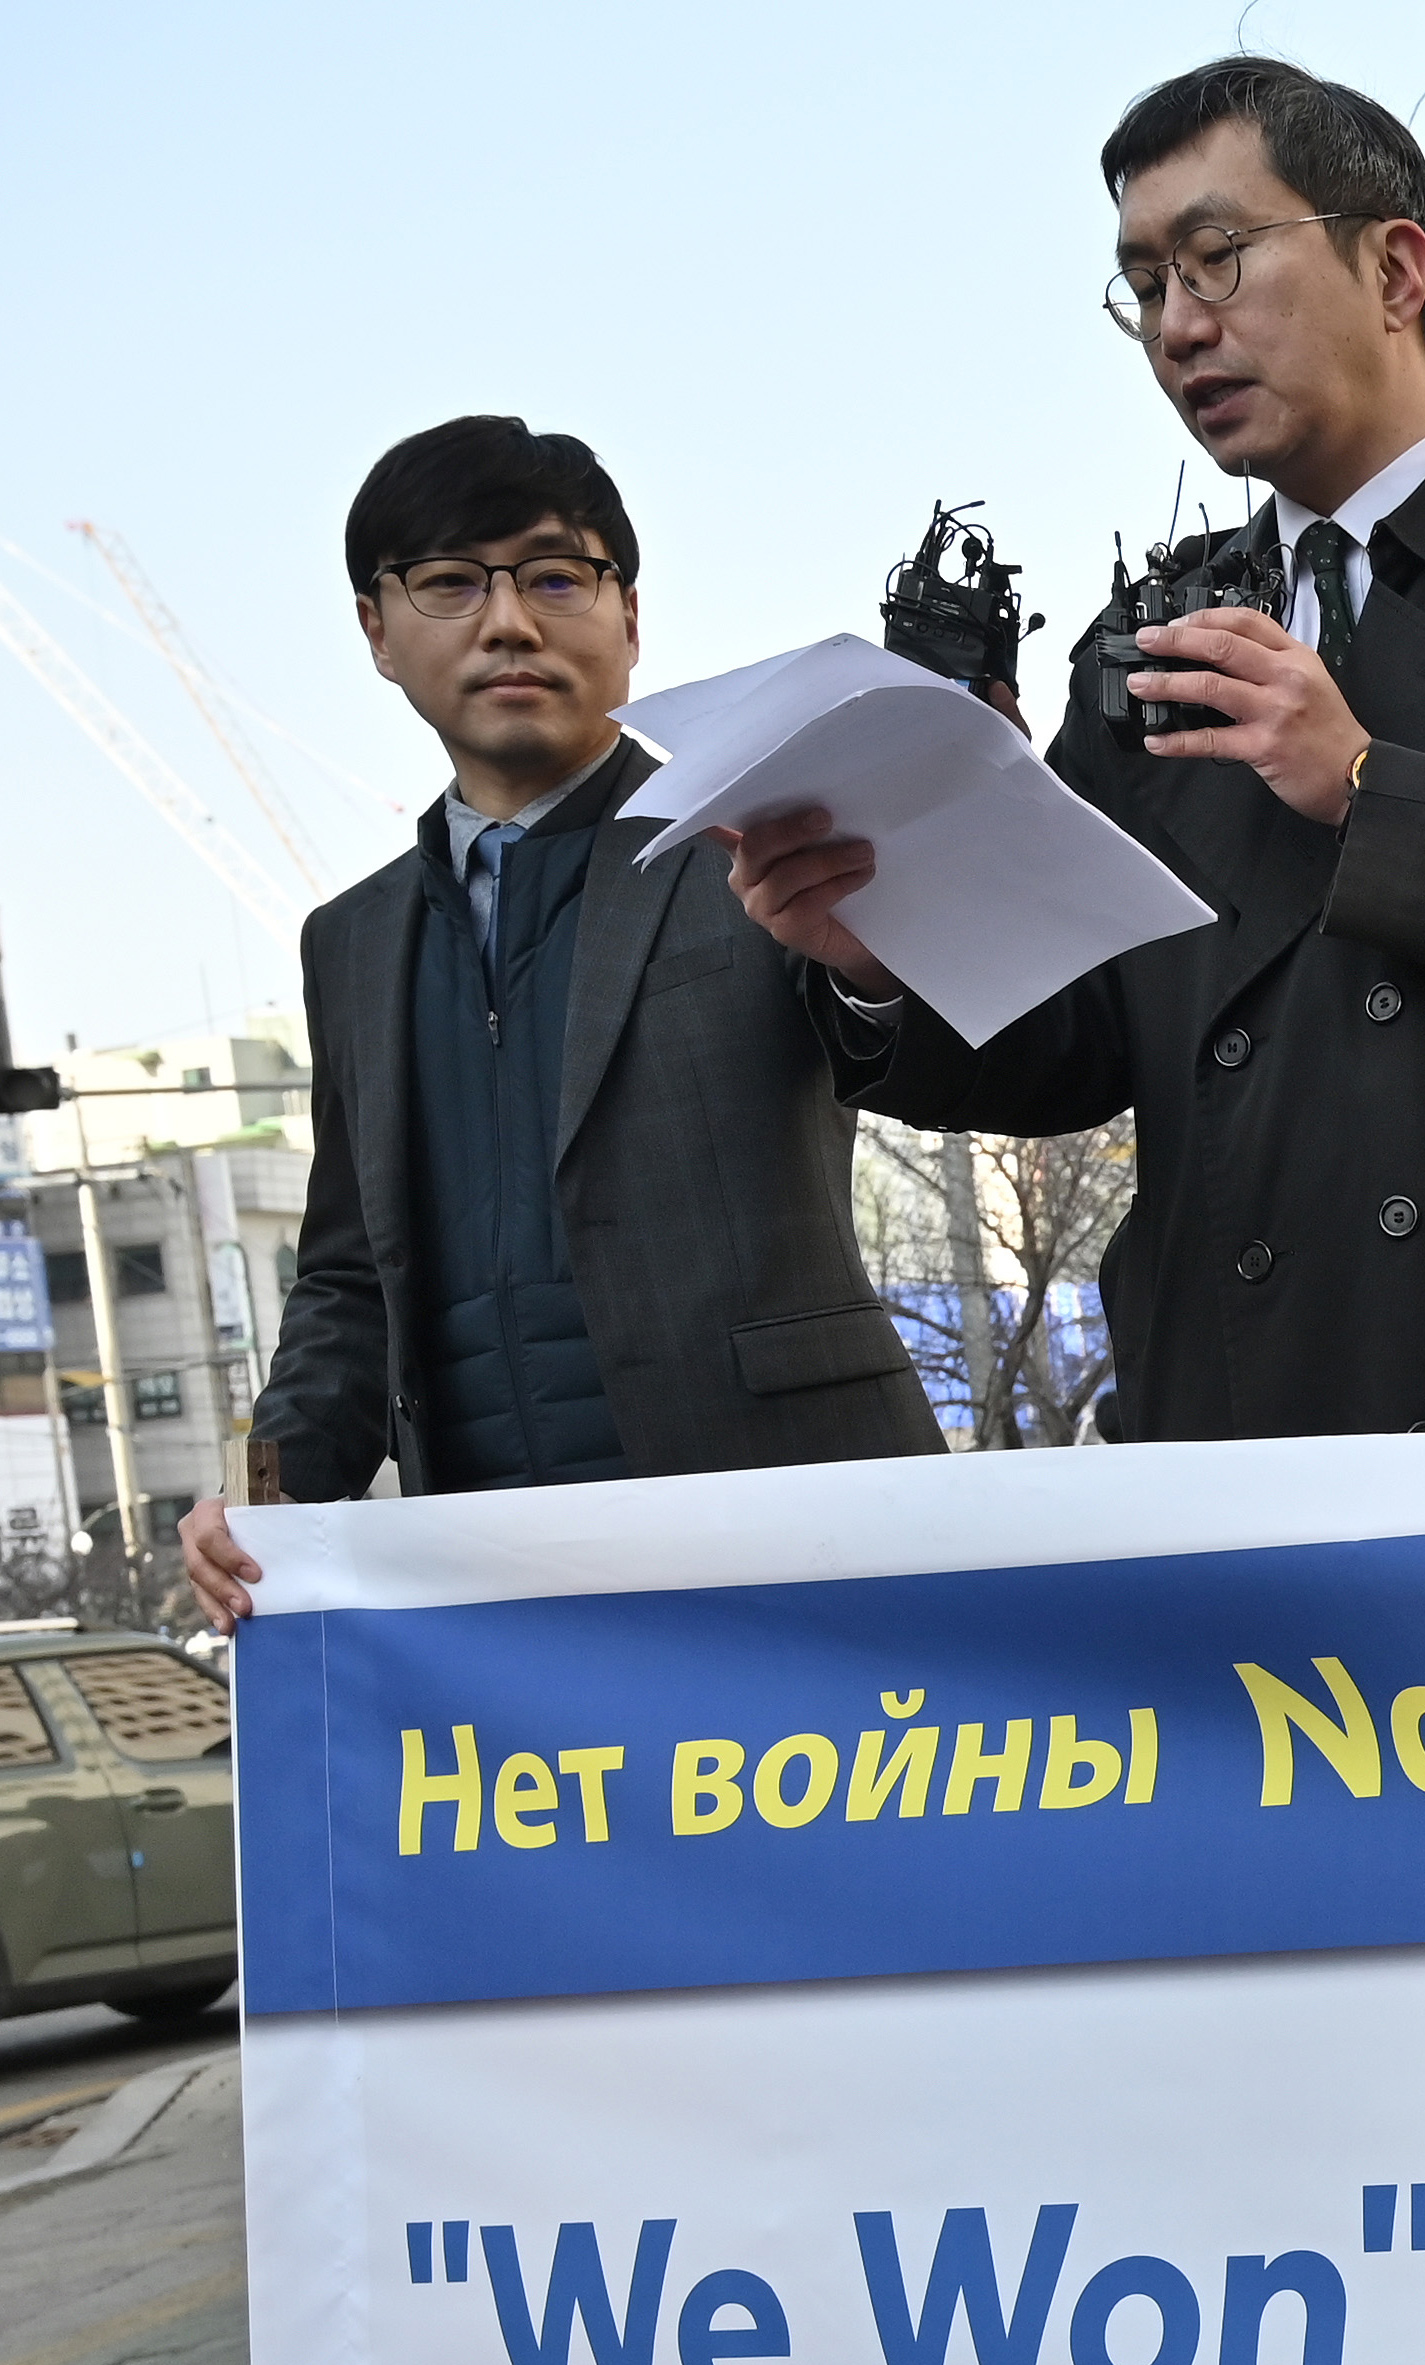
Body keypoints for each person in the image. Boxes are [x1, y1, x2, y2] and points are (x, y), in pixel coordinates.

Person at [722, 56, 1425, 1442]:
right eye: (1146, 285)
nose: (1179, 325)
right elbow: (1075, 1041)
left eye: (1218, 258)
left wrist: (1368, 787)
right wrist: (886, 953)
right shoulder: (1148, 632)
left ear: (1397, 271)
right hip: (1242, 1414)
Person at [182, 419, 937, 1627]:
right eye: (447, 583)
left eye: (553, 576)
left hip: (797, 1540)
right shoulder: (354, 941)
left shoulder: (755, 845)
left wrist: (874, 973)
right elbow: (345, 1278)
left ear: (627, 619)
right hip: (503, 1600)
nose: (509, 622)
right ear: (377, 630)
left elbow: (905, 1044)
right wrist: (273, 1499)